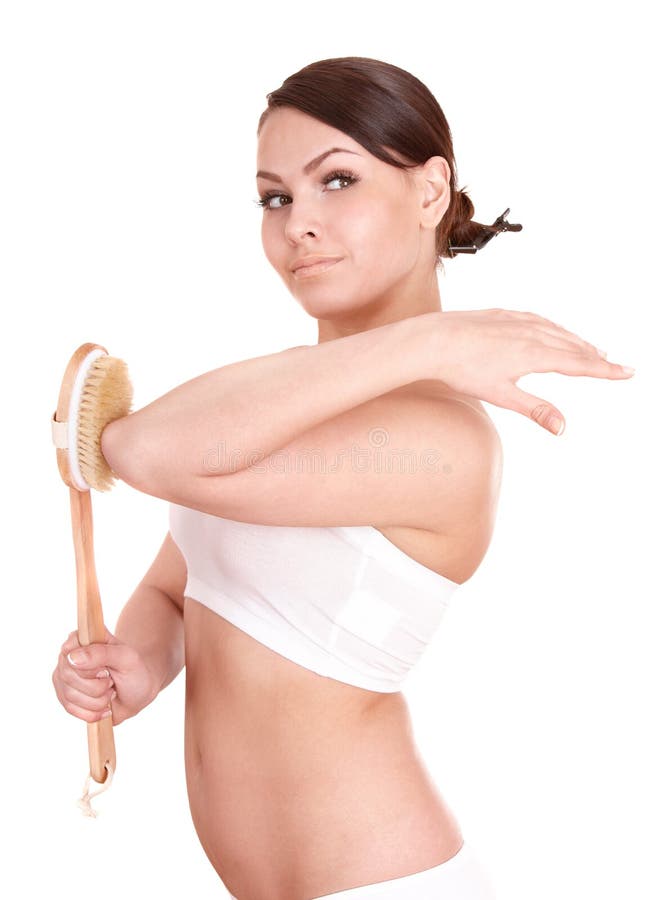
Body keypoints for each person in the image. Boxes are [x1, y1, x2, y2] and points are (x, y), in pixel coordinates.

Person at [52, 57, 634, 899]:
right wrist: (136, 666)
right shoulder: (278, 398)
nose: (299, 224)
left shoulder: (443, 439)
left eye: (337, 180)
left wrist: (430, 341)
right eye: (275, 197)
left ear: (430, 192)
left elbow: (141, 451)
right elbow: (179, 591)